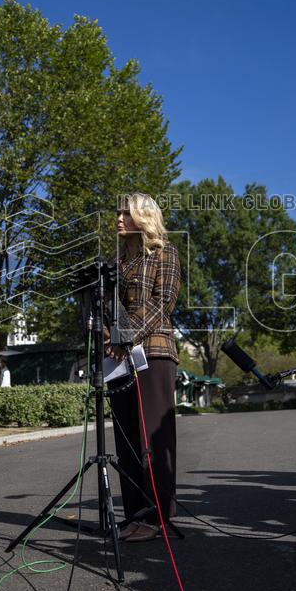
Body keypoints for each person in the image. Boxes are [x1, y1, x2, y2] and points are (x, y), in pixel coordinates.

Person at [108, 193, 181, 543]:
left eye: (126, 213)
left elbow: (161, 304)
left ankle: (157, 519)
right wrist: (105, 335)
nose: (118, 218)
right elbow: (109, 310)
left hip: (153, 354)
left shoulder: (164, 252)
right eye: (118, 213)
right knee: (126, 441)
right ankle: (134, 516)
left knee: (152, 438)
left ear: (144, 217)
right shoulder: (117, 262)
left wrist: (123, 336)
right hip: (117, 360)